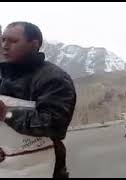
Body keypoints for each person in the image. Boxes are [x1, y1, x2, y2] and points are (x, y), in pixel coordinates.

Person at [0, 22, 76, 178]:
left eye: (13, 41)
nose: (5, 46)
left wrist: (7, 114)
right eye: (3, 40)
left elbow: (54, 124)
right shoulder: (4, 75)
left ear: (34, 44)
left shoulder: (54, 78)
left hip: (41, 167)